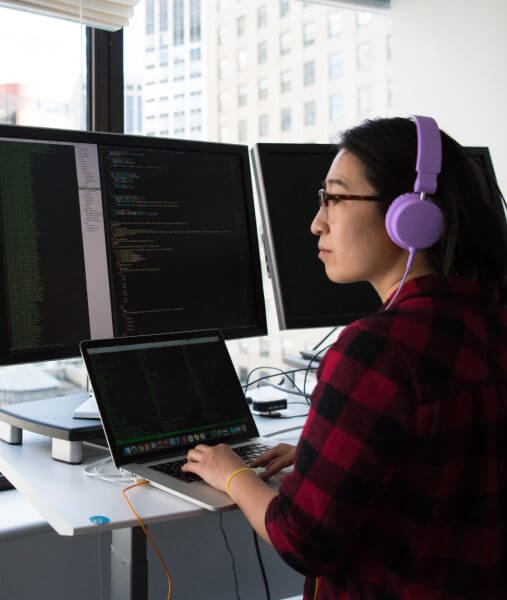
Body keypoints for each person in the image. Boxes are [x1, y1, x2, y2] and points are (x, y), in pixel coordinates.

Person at [181, 116, 507, 599]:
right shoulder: (491, 320)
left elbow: (302, 539)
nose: (317, 222)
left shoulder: (378, 350)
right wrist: (325, 456)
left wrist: (233, 474)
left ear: (410, 215)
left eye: (334, 197)